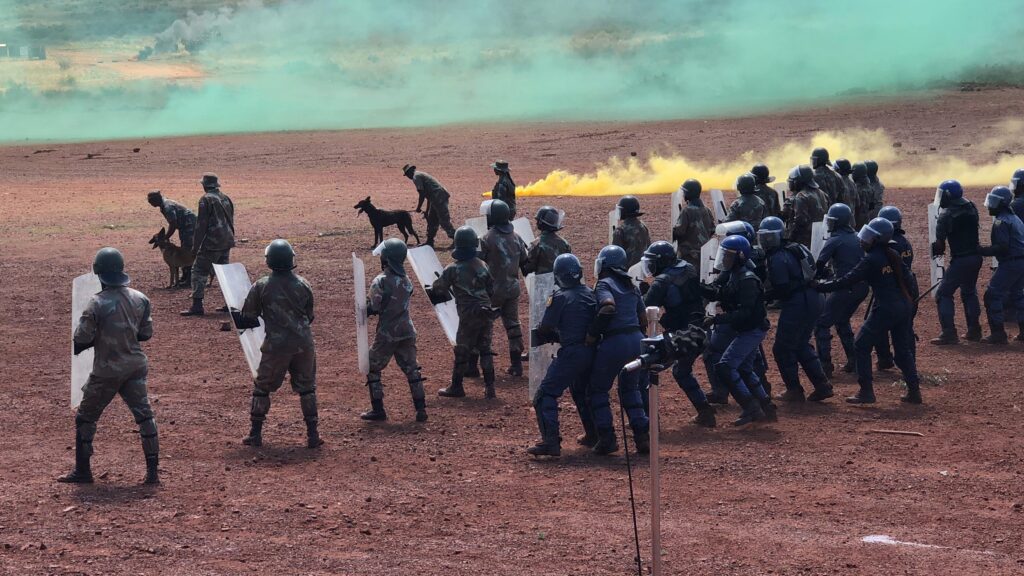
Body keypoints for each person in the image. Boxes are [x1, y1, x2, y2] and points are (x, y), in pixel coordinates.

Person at [61, 248, 159, 485]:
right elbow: (145, 334)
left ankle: (83, 471)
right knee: (144, 416)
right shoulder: (141, 298)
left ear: (98, 271)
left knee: (85, 418)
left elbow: (81, 339)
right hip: (135, 365)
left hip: (107, 369)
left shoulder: (96, 303)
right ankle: (153, 474)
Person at [814, 218, 922, 404]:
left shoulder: (871, 259)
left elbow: (847, 280)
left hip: (886, 309)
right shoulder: (892, 253)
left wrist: (820, 287)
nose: (862, 240)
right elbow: (909, 279)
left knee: (861, 345)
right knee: (903, 351)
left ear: (876, 239)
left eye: (867, 237)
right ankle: (914, 391)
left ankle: (866, 391)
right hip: (903, 306)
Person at [232, 240, 322, 448]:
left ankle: (255, 433)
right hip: (304, 343)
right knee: (307, 388)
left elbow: (249, 318)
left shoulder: (262, 286)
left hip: (277, 345)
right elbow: (310, 316)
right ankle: (313, 435)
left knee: (262, 386)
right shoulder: (303, 283)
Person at [527, 254, 598, 457]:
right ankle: (594, 434)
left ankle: (551, 442)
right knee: (580, 391)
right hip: (591, 351)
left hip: (572, 353)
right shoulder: (590, 293)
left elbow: (546, 326)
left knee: (545, 395)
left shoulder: (559, 297)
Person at [700, 235, 775, 425]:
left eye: (727, 255)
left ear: (740, 256)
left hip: (751, 329)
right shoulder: (736, 274)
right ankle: (767, 407)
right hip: (748, 329)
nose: (723, 259)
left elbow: (744, 313)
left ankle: (751, 407)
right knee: (744, 368)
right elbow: (722, 293)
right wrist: (699, 288)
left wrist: (716, 319)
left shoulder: (747, 279)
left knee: (726, 366)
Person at [641, 241, 717, 427]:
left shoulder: (662, 282)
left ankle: (649, 421)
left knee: (647, 367)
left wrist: (642, 293)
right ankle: (706, 412)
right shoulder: (688, 268)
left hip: (683, 336)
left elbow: (645, 307)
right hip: (699, 329)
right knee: (681, 371)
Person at [758, 217, 833, 402]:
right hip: (814, 298)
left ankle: (794, 390)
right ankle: (822, 385)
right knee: (800, 344)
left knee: (782, 348)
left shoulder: (777, 258)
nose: (766, 241)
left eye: (769, 237)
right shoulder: (797, 248)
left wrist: (762, 297)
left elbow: (782, 288)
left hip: (798, 303)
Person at [585, 245, 650, 455]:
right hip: (636, 341)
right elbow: (643, 318)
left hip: (615, 342)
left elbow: (607, 307)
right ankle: (642, 437)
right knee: (630, 389)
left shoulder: (604, 284)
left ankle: (607, 438)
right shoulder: (631, 284)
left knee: (598, 390)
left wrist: (593, 334)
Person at [360, 239, 427, 422]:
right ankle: (421, 410)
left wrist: (364, 308)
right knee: (412, 369)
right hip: (407, 330)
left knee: (372, 367)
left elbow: (374, 306)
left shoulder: (380, 281)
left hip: (388, 333)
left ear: (387, 259)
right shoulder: (407, 280)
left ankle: (378, 410)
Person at [426, 226, 497, 399]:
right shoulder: (483, 265)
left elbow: (438, 288)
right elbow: (491, 289)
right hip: (486, 311)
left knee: (462, 349)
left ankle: (457, 386)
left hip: (469, 314)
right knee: (485, 349)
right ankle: (490, 388)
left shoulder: (453, 268)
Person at [813, 203, 867, 376]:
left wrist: (818, 279)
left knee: (821, 323)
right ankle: (854, 360)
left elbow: (819, 265)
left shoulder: (834, 240)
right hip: (861, 288)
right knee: (842, 319)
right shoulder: (858, 236)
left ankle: (825, 365)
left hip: (845, 287)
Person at [479, 200, 529, 377]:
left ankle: (482, 368)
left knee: (484, 327)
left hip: (493, 290)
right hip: (512, 288)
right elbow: (525, 262)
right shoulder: (516, 236)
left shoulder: (487, 238)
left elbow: (479, 264)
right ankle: (516, 365)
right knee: (513, 326)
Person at [931, 179, 983, 344]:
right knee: (969, 292)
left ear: (947, 195)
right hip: (975, 257)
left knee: (943, 293)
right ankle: (974, 330)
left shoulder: (946, 215)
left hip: (961, 260)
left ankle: (949, 333)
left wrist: (936, 249)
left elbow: (940, 245)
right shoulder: (971, 207)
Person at [181, 173, 235, 317]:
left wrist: (195, 246)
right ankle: (230, 303)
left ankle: (197, 305)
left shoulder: (206, 200)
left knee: (199, 271)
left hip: (212, 242)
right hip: (226, 240)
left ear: (204, 185)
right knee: (224, 273)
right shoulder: (225, 197)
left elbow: (201, 225)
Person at [874, 206, 918, 366]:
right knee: (906, 327)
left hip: (891, 289)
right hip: (910, 288)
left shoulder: (887, 246)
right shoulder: (905, 243)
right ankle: (910, 362)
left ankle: (885, 359)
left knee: (879, 325)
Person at [978, 186, 1024, 343]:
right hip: (1020, 262)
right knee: (1018, 295)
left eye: (994, 202)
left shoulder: (1001, 222)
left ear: (1002, 204)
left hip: (1010, 263)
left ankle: (998, 334)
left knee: (992, 295)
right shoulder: (1014, 218)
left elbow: (1002, 247)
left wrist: (981, 251)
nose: (990, 205)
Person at [404, 164, 456, 248]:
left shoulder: (416, 177)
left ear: (410, 172)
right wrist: (427, 210)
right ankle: (429, 241)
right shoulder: (419, 175)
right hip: (435, 198)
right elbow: (428, 194)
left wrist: (418, 208)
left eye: (407, 174)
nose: (408, 177)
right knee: (432, 220)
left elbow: (422, 194)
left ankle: (456, 239)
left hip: (439, 197)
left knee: (444, 220)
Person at [672, 179, 715, 267]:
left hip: (689, 257)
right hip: (704, 254)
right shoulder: (707, 210)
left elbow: (680, 231)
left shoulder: (686, 211)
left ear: (688, 194)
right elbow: (712, 230)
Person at [781, 165, 826, 248]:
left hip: (804, 242)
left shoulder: (801, 196)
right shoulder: (821, 193)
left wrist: (789, 240)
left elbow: (800, 222)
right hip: (820, 238)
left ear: (798, 181)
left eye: (792, 181)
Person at [522, 206, 571, 276]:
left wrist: (522, 258)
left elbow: (528, 269)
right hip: (561, 284)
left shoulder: (536, 244)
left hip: (543, 285)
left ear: (541, 223)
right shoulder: (564, 243)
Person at [612, 196, 651, 268]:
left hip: (626, 273)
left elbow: (616, 255)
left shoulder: (620, 230)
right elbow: (648, 247)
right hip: (641, 270)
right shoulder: (643, 226)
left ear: (624, 211)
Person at [850, 163, 873, 229]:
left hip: (856, 220)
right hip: (866, 219)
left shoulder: (854, 187)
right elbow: (872, 206)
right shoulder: (869, 187)